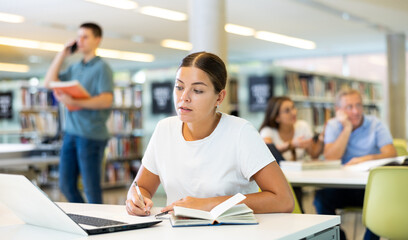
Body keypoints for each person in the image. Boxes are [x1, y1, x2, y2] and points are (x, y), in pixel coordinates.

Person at [126, 52, 294, 216]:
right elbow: (142, 187)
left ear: (219, 98)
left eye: (197, 90)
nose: (184, 97)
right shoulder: (164, 129)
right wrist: (135, 198)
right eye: (179, 87)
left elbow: (283, 200)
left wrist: (207, 204)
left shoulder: (240, 132)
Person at [44, 22, 114, 204]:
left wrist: (75, 102)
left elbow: (106, 100)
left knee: (91, 188)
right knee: (66, 185)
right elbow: (48, 82)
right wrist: (62, 54)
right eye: (78, 37)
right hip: (71, 134)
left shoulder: (102, 68)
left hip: (91, 135)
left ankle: (99, 225)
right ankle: (86, 218)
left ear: (97, 40)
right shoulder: (75, 67)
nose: (80, 41)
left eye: (85, 37)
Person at [314, 88, 397, 240]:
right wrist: (347, 128)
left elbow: (391, 153)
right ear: (338, 110)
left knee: (381, 201)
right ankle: (339, 236)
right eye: (349, 107)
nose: (356, 111)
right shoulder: (332, 125)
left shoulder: (375, 124)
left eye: (358, 105)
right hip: (343, 186)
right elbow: (331, 157)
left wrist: (366, 158)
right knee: (320, 198)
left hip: (370, 188)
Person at [259, 96, 324, 161]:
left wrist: (321, 139)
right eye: (287, 111)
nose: (293, 113)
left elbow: (313, 154)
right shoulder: (267, 131)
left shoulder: (303, 126)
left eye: (293, 107)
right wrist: (291, 144)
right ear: (277, 117)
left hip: (298, 170)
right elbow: (267, 154)